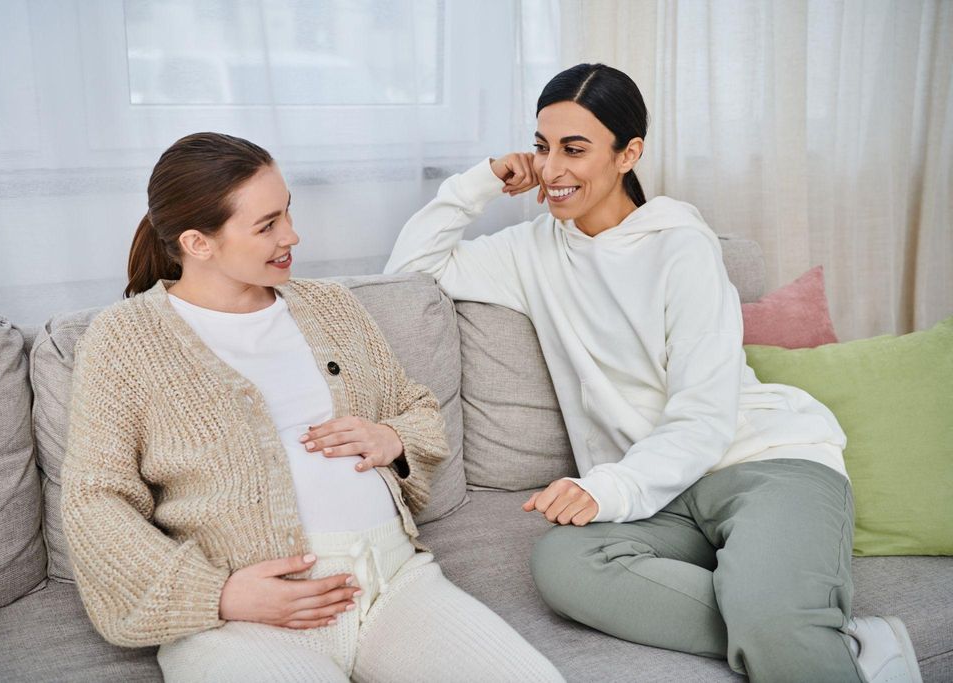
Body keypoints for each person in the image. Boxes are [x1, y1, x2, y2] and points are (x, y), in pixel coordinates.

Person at [384, 64, 922, 683]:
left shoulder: (682, 247)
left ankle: (788, 624)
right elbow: (410, 273)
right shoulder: (531, 250)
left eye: (575, 149)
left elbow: (703, 418)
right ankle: (817, 633)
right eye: (542, 147)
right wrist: (481, 181)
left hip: (762, 463)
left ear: (628, 153)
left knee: (772, 613)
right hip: (661, 493)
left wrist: (605, 488)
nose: (552, 169)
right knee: (565, 564)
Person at [61, 132, 563, 683]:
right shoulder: (124, 338)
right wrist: (220, 596)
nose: (292, 236)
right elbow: (95, 501)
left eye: (288, 213)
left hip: (394, 586)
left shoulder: (331, 307)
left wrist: (392, 440)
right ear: (198, 243)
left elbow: (415, 408)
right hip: (243, 624)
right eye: (267, 224)